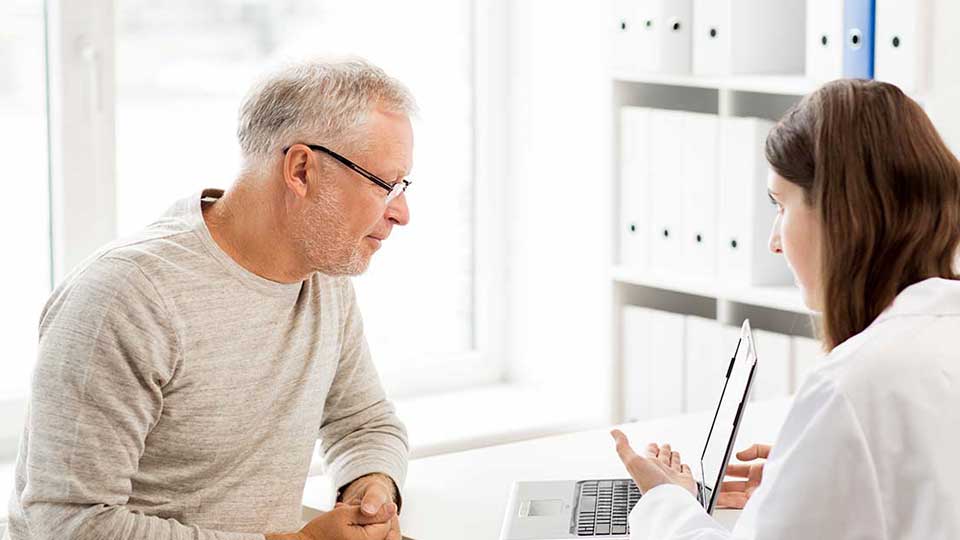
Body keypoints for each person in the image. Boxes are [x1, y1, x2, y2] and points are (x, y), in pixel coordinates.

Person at [7, 58, 416, 540]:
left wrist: (371, 486)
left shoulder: (323, 275)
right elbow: (66, 524)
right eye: (385, 185)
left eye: (403, 186)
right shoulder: (126, 298)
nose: (402, 213)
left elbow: (361, 421)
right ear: (302, 170)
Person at [611, 79, 960, 539]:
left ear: (842, 215)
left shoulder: (851, 385)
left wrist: (663, 500)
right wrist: (816, 473)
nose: (774, 241)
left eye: (781, 205)